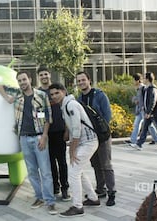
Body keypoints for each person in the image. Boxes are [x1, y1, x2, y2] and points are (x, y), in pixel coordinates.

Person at [0, 71, 57, 215]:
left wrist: (44, 136)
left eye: (24, 79)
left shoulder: (41, 95)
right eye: (20, 80)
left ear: (30, 79)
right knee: (31, 171)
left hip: (39, 138)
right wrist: (7, 98)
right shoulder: (17, 94)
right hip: (23, 138)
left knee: (46, 171)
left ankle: (50, 201)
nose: (22, 82)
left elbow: (48, 117)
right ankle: (39, 197)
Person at [49, 83, 100, 217]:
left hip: (88, 142)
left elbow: (77, 129)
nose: (54, 96)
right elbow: (72, 127)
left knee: (73, 172)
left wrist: (72, 151)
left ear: (64, 91)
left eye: (57, 93)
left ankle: (77, 206)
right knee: (78, 171)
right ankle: (93, 198)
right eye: (52, 94)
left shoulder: (71, 105)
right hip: (84, 142)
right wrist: (67, 134)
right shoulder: (65, 105)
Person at [76, 71, 116, 206]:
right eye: (79, 81)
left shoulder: (99, 95)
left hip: (103, 136)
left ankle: (112, 192)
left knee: (106, 164)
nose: (81, 82)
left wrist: (100, 132)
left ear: (89, 80)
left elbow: (107, 116)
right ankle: (100, 189)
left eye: (83, 80)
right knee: (96, 164)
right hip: (90, 139)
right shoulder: (79, 99)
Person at [36, 66, 70, 201]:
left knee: (61, 161)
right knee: (49, 162)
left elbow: (66, 111)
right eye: (41, 75)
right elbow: (37, 113)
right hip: (46, 134)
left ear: (50, 74)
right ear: (39, 77)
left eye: (46, 74)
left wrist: (67, 130)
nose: (44, 76)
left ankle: (65, 189)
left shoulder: (58, 89)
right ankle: (55, 186)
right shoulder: (37, 93)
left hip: (60, 131)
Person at [133, 72, 157, 151]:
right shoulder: (147, 88)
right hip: (149, 112)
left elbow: (152, 102)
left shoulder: (153, 89)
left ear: (147, 79)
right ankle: (139, 144)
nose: (143, 80)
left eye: (144, 78)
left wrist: (149, 112)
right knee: (145, 128)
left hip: (154, 113)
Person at [127, 73, 157, 145]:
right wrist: (135, 99)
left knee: (149, 125)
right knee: (137, 124)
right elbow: (139, 98)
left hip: (143, 109)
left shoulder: (143, 88)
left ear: (138, 80)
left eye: (133, 80)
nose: (133, 82)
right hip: (139, 110)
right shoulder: (139, 88)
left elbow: (145, 99)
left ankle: (156, 139)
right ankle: (133, 140)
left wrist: (144, 107)